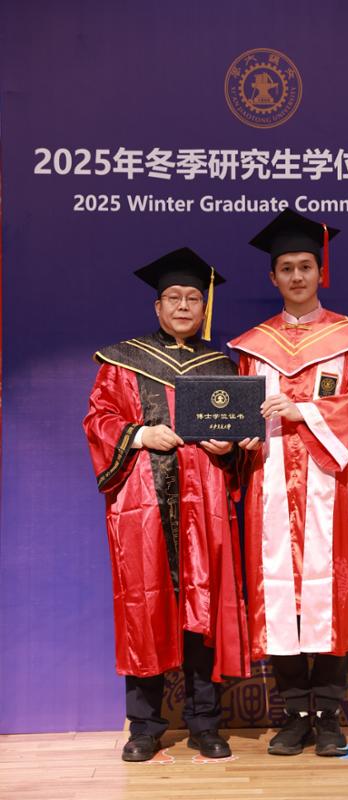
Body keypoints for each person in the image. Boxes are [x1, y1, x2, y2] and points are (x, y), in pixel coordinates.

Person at [83, 247, 250, 762]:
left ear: (204, 307)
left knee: (205, 605)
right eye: (173, 298)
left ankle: (205, 723)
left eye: (192, 298)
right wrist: (139, 434)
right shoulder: (122, 361)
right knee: (144, 606)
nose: (182, 306)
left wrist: (229, 447)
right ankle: (144, 727)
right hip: (144, 505)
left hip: (206, 503)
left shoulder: (221, 366)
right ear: (157, 306)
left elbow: (240, 442)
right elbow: (99, 419)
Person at [228, 209, 348, 757]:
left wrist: (301, 411)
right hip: (269, 485)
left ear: (321, 272)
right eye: (286, 268)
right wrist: (240, 436)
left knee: (332, 590)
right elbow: (241, 414)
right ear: (272, 277)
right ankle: (294, 714)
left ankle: (330, 715)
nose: (296, 276)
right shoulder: (253, 347)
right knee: (276, 594)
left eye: (305, 266)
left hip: (331, 487)